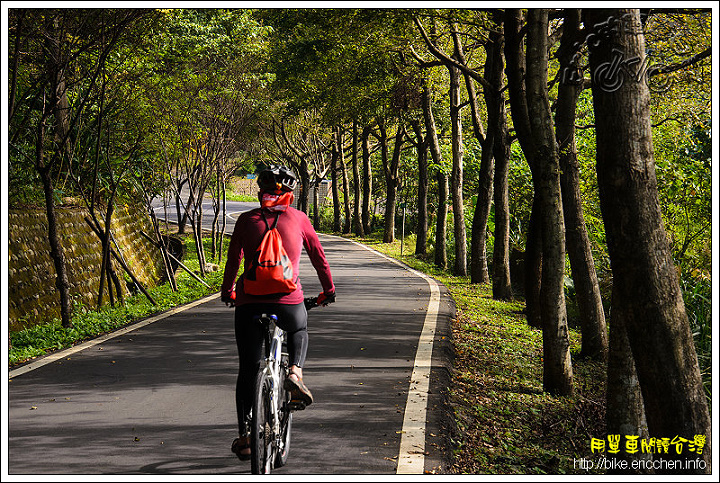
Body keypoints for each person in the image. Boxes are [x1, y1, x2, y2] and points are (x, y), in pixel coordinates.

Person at [221, 165, 336, 461]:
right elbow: (318, 257)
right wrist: (328, 291)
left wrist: (229, 291)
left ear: (261, 192)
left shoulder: (247, 220)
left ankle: (246, 438)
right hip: (288, 301)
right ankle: (295, 373)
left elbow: (234, 260)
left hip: (249, 304)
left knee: (247, 369)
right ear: (291, 193)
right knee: (298, 329)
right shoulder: (299, 219)